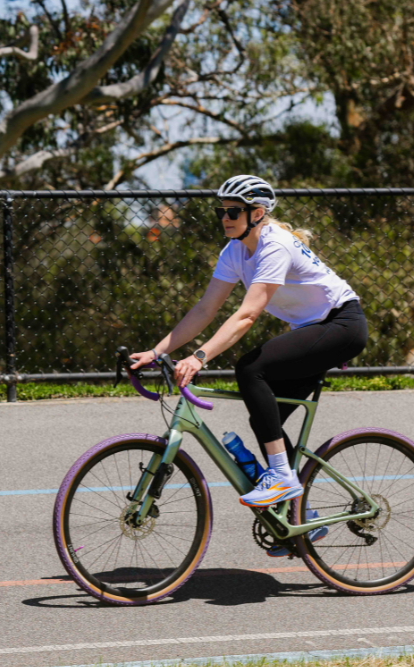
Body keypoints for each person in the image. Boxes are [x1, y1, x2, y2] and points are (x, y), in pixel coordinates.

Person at [130, 175, 368, 550]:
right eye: (221, 211)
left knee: (249, 368)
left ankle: (281, 480)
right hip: (313, 328)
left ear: (257, 213)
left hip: (341, 324)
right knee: (265, 416)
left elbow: (247, 315)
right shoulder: (234, 251)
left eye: (232, 211)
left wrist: (199, 356)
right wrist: (157, 351)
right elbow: (206, 308)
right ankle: (298, 519)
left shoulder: (275, 246)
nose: (225, 217)